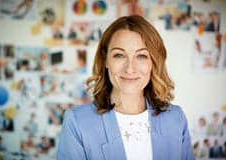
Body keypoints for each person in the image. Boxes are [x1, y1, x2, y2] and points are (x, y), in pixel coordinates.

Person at [57, 15, 194, 160]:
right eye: (119, 55)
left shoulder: (176, 118)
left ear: (153, 62)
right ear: (106, 60)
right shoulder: (77, 122)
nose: (130, 69)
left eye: (141, 56)